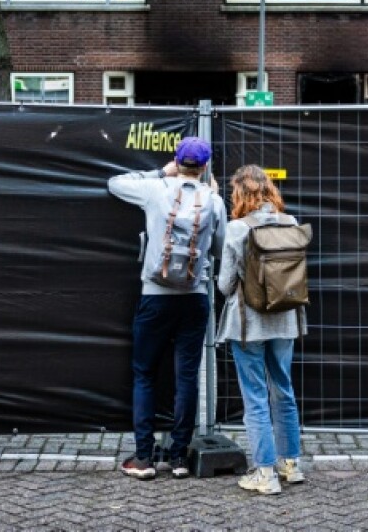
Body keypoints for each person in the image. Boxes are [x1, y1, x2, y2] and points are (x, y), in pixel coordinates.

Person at [108, 136, 226, 481]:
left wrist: (162, 171)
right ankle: (178, 459)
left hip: (155, 294)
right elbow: (218, 250)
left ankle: (143, 459)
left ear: (178, 161)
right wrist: (214, 196)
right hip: (194, 296)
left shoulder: (155, 189)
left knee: (144, 374)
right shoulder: (214, 200)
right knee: (186, 378)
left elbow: (114, 184)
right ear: (204, 167)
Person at [214, 164, 306, 495]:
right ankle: (290, 465)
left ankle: (264, 473)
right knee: (283, 389)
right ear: (269, 190)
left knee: (255, 398)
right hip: (286, 320)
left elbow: (225, 286)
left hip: (248, 324)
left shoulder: (237, 228)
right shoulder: (291, 223)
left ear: (239, 193)